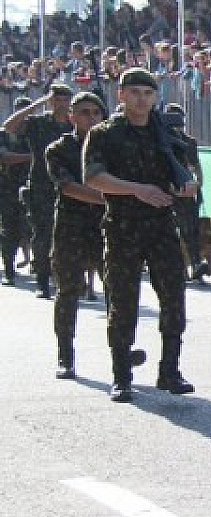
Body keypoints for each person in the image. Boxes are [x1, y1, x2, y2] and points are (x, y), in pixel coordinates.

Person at [83, 68, 198, 403]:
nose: (141, 99)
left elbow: (185, 173)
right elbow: (93, 177)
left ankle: (170, 370)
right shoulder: (104, 134)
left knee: (174, 297)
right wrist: (137, 190)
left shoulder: (164, 133)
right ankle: (121, 376)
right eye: (134, 92)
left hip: (162, 226)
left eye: (147, 93)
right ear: (121, 96)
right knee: (123, 302)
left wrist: (188, 185)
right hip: (122, 227)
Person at [44, 92, 107, 380]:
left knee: (119, 290)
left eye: (96, 112)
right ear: (71, 116)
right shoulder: (58, 149)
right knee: (68, 291)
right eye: (84, 112)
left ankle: (122, 350)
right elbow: (68, 187)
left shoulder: (111, 147)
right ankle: (65, 354)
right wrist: (114, 197)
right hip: (71, 226)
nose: (91, 118)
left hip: (108, 227)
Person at [2, 83, 74, 298]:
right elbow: (9, 126)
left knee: (69, 234)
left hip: (69, 184)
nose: (61, 103)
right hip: (42, 185)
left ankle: (65, 278)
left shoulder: (73, 124)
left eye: (64, 99)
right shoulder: (38, 123)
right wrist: (38, 104)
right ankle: (43, 281)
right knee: (42, 234)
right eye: (57, 99)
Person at [163, 103, 205, 281]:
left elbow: (196, 166)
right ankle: (177, 267)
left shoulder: (189, 142)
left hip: (186, 191)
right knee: (169, 232)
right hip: (165, 191)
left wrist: (197, 184)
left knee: (191, 230)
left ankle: (196, 264)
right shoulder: (160, 139)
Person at [0, 97, 33, 285]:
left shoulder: (36, 132)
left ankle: (40, 265)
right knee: (10, 230)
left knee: (32, 228)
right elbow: (4, 157)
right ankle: (10, 270)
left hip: (33, 187)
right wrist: (32, 156)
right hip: (8, 189)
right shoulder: (4, 134)